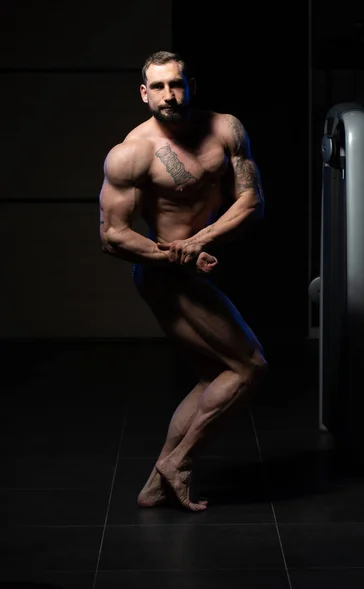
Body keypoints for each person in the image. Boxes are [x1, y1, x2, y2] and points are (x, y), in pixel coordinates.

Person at [99, 50, 268, 512]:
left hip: (193, 262)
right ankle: (180, 464)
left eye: (176, 84)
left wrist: (200, 240)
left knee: (212, 374)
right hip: (164, 278)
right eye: (158, 87)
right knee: (249, 366)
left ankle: (156, 486)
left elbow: (251, 200)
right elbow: (112, 236)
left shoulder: (225, 129)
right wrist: (176, 257)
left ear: (190, 84)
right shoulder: (133, 152)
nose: (169, 95)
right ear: (144, 93)